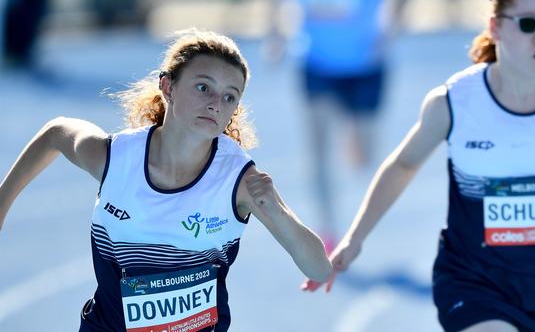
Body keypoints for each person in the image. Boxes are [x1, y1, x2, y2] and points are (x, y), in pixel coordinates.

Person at [303, 0, 535, 331]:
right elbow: (403, 165)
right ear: (496, 27)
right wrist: (354, 239)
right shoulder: (455, 101)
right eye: (529, 24)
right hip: (474, 284)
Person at [0, 29, 332, 332]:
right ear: (168, 86)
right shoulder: (116, 158)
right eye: (203, 88)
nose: (216, 104)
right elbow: (57, 131)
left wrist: (275, 210)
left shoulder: (239, 180)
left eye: (230, 97)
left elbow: (320, 269)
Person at [266, 0, 406, 251]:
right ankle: (327, 231)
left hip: (365, 65)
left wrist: (391, 25)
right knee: (319, 151)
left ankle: (350, 122)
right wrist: (276, 33)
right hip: (317, 65)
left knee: (365, 158)